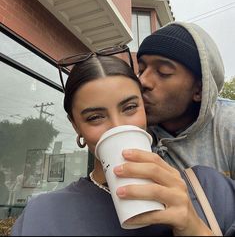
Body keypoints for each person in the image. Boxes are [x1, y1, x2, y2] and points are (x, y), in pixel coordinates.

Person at [11, 49, 235, 236]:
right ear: (76, 126)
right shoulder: (43, 216)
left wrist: (194, 227)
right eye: (95, 117)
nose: (117, 126)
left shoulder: (210, 188)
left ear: (144, 110)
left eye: (129, 108)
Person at [137, 21, 235, 179]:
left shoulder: (229, 128)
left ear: (200, 89)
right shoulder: (133, 127)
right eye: (141, 70)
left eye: (163, 72)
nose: (143, 81)